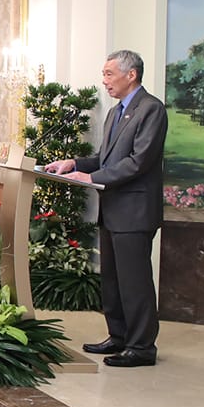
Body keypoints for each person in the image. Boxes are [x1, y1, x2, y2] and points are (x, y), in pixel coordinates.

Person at [42, 49, 167, 368]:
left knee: (134, 280)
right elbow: (105, 158)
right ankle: (119, 336)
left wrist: (92, 176)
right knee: (112, 279)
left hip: (134, 212)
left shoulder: (151, 109)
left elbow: (138, 162)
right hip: (111, 210)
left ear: (131, 75)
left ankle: (141, 347)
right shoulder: (115, 112)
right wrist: (74, 163)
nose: (104, 80)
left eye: (109, 74)